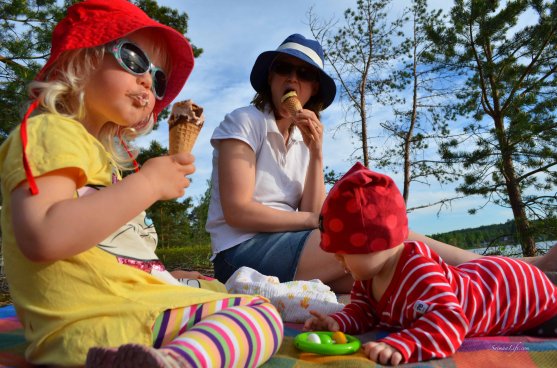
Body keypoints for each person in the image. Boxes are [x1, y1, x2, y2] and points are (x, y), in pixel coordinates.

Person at [0, 1, 283, 367]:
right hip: (98, 322)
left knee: (218, 289)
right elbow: (44, 236)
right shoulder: (50, 130)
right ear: (78, 60)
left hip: (117, 326)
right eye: (132, 59)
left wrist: (163, 274)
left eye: (158, 77)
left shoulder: (108, 168)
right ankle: (175, 362)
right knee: (258, 314)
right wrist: (148, 184)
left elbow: (105, 253)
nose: (149, 80)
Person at [206, 33, 557, 293]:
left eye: (305, 74)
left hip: (292, 248)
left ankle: (507, 287)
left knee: (387, 274)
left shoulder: (301, 141)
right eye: (284, 69)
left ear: (314, 90)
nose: (293, 79)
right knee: (376, 234)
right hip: (241, 253)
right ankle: (521, 268)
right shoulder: (245, 121)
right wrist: (318, 219)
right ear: (270, 77)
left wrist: (316, 154)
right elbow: (238, 212)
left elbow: (312, 210)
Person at [303, 162, 557, 365]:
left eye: (342, 251)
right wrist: (339, 323)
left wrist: (404, 344)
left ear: (377, 242)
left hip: (518, 291)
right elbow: (363, 312)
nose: (336, 259)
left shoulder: (419, 273)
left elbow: (451, 321)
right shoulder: (366, 279)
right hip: (479, 275)